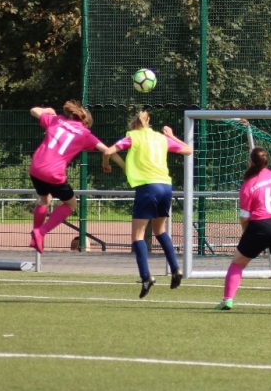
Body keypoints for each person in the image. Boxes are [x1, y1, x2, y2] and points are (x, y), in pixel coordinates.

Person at [102, 111, 191, 298]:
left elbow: (109, 151)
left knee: (137, 235)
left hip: (148, 187)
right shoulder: (161, 138)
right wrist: (171, 136)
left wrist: (106, 163)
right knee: (160, 230)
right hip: (165, 186)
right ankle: (176, 269)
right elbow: (188, 150)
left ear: (133, 125)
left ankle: (146, 277)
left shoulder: (133, 137)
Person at [218, 147, 271, 311]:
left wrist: (247, 232)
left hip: (260, 226)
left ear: (250, 162)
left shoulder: (248, 184)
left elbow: (244, 216)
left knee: (237, 263)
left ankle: (228, 300)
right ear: (266, 161)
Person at [29, 102, 121, 253]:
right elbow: (107, 151)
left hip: (35, 168)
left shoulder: (57, 120)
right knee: (71, 204)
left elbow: (34, 110)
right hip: (53, 173)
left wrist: (49, 109)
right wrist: (117, 165)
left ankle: (35, 235)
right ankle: (41, 232)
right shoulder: (85, 134)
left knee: (44, 200)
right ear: (86, 124)